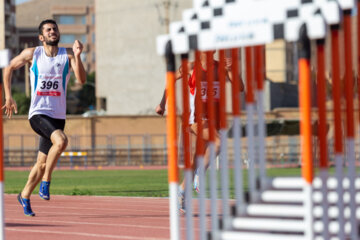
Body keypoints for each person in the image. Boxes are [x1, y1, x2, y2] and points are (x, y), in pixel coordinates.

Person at [2, 19, 86, 216]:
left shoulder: (67, 55)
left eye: (55, 29)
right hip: (38, 113)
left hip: (58, 116)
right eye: (48, 30)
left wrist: (79, 56)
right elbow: (8, 68)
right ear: (41, 37)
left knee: (41, 163)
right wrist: (8, 96)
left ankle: (24, 195)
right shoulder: (33, 54)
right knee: (62, 141)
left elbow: (81, 80)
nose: (52, 31)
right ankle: (46, 182)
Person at [156, 51, 244, 212]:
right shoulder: (190, 67)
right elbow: (170, 80)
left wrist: (232, 71)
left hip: (214, 120)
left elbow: (240, 88)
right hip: (195, 119)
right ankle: (200, 175)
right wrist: (162, 104)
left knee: (197, 160)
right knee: (218, 143)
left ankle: (181, 191)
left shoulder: (221, 67)